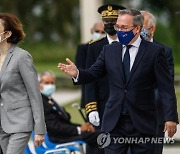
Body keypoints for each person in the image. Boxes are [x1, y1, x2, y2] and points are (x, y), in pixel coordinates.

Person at [58, 9, 178, 154]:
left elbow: (166, 87)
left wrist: (170, 117)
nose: (120, 31)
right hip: (114, 122)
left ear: (137, 28)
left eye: (124, 28)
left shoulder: (155, 52)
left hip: (143, 122)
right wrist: (77, 73)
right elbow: (94, 73)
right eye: (118, 27)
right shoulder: (109, 50)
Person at [0, 13, 46, 154]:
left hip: (20, 122)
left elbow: (35, 94)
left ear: (7, 33)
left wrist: (39, 130)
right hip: (2, 123)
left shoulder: (21, 57)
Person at [39, 71, 104, 154]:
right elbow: (54, 126)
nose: (50, 86)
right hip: (58, 137)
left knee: (96, 134)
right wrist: (79, 129)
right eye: (46, 83)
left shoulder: (48, 99)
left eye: (52, 83)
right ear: (38, 84)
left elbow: (64, 119)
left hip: (63, 134)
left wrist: (82, 127)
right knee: (100, 136)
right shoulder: (41, 102)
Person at [85, 4, 125, 128]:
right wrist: (91, 108)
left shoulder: (129, 43)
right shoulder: (95, 47)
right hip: (104, 103)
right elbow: (90, 78)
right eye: (106, 21)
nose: (109, 24)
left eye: (113, 20)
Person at [140, 10, 175, 154]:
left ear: (152, 29)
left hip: (154, 116)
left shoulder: (164, 52)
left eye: (141, 28)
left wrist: (170, 116)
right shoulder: (125, 50)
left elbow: (165, 87)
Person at [75, 21, 105, 108]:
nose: (99, 34)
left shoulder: (108, 48)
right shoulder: (83, 48)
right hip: (90, 91)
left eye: (103, 32)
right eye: (97, 31)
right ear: (92, 31)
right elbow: (81, 71)